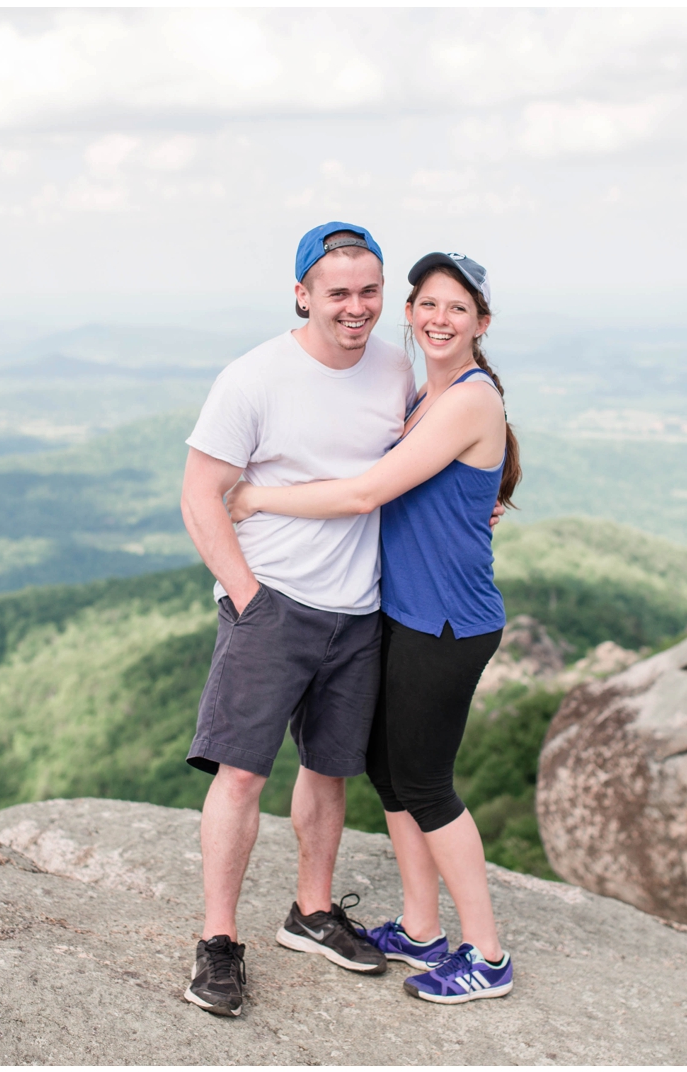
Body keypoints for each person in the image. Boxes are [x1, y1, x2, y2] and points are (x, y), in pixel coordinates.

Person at [224, 251, 520, 1004]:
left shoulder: (467, 398)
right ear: (411, 312)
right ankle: (422, 929)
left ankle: (486, 953)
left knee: (425, 782)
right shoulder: (430, 392)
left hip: (447, 623)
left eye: (457, 307)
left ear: (481, 323)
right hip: (407, 612)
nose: (438, 318)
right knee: (389, 773)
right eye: (426, 303)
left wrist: (257, 500)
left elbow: (366, 492)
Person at [178, 222, 411, 1018]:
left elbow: (417, 455)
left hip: (359, 608)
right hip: (272, 601)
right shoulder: (253, 378)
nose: (356, 308)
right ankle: (217, 941)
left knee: (329, 767)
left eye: (370, 291)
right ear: (303, 292)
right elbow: (198, 494)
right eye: (339, 292)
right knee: (242, 771)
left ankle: (311, 910)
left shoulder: (393, 364)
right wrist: (247, 596)